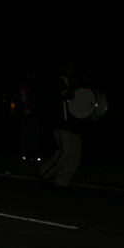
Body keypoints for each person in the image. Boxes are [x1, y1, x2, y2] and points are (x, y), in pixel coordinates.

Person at [37, 60, 83, 188]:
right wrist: (64, 96)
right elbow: (49, 99)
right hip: (61, 122)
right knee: (66, 150)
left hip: (74, 122)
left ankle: (62, 180)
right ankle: (45, 172)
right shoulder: (56, 82)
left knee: (75, 152)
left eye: (71, 66)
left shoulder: (75, 83)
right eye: (66, 66)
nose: (69, 68)